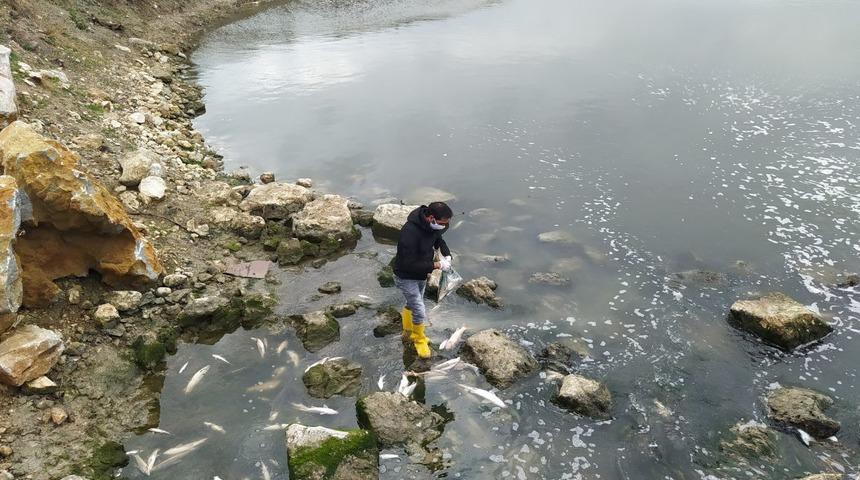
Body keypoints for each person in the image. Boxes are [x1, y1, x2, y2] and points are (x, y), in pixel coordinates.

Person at [393, 201, 454, 359]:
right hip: (405, 275)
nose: (444, 226)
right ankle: (418, 338)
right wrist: (437, 264)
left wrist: (447, 255)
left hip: (421, 274)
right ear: (431, 218)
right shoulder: (410, 232)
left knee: (414, 302)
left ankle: (407, 329)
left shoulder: (432, 227)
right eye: (442, 223)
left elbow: (439, 240)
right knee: (419, 309)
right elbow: (409, 263)